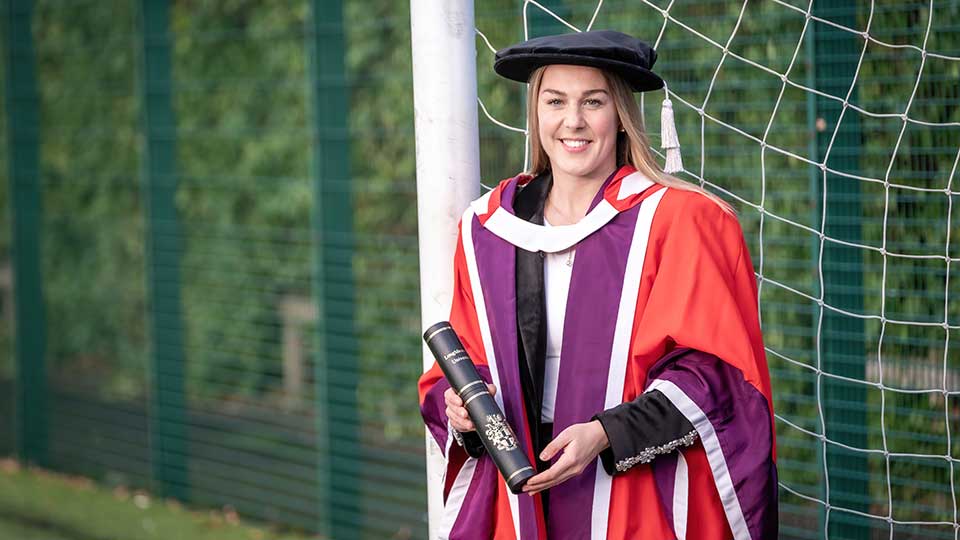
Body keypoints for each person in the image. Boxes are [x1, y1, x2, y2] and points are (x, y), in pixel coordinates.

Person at [418, 30, 777, 540]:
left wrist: (606, 434)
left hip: (633, 490)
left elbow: (717, 373)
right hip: (519, 495)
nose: (573, 121)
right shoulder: (487, 230)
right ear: (535, 112)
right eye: (555, 101)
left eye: (593, 101)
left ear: (622, 114)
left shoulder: (680, 220)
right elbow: (456, 369)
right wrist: (462, 412)